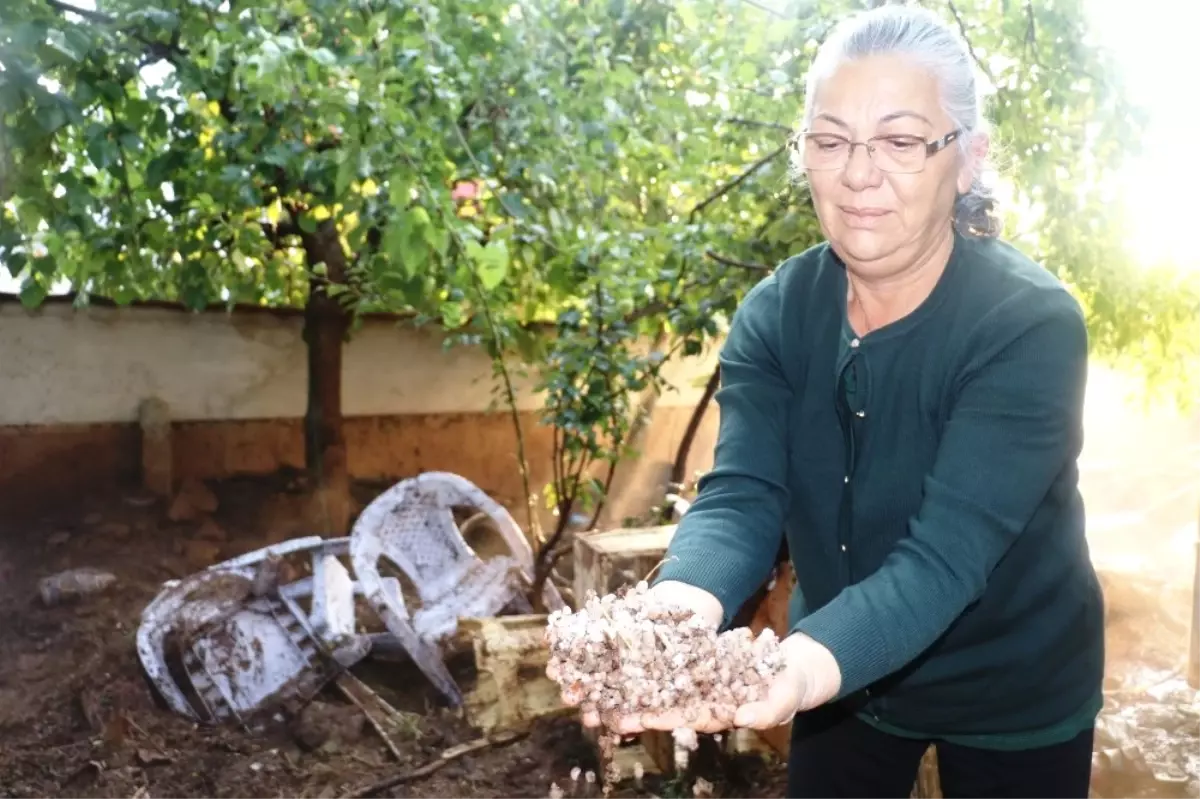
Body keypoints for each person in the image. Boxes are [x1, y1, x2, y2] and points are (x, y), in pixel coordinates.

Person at [571, 5, 1106, 798]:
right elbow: (746, 492)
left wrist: (798, 667)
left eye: (899, 140)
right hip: (842, 673)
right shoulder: (776, 313)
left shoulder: (1026, 324)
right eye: (830, 140)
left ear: (966, 160)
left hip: (1011, 676)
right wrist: (679, 606)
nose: (859, 173)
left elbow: (944, 557)